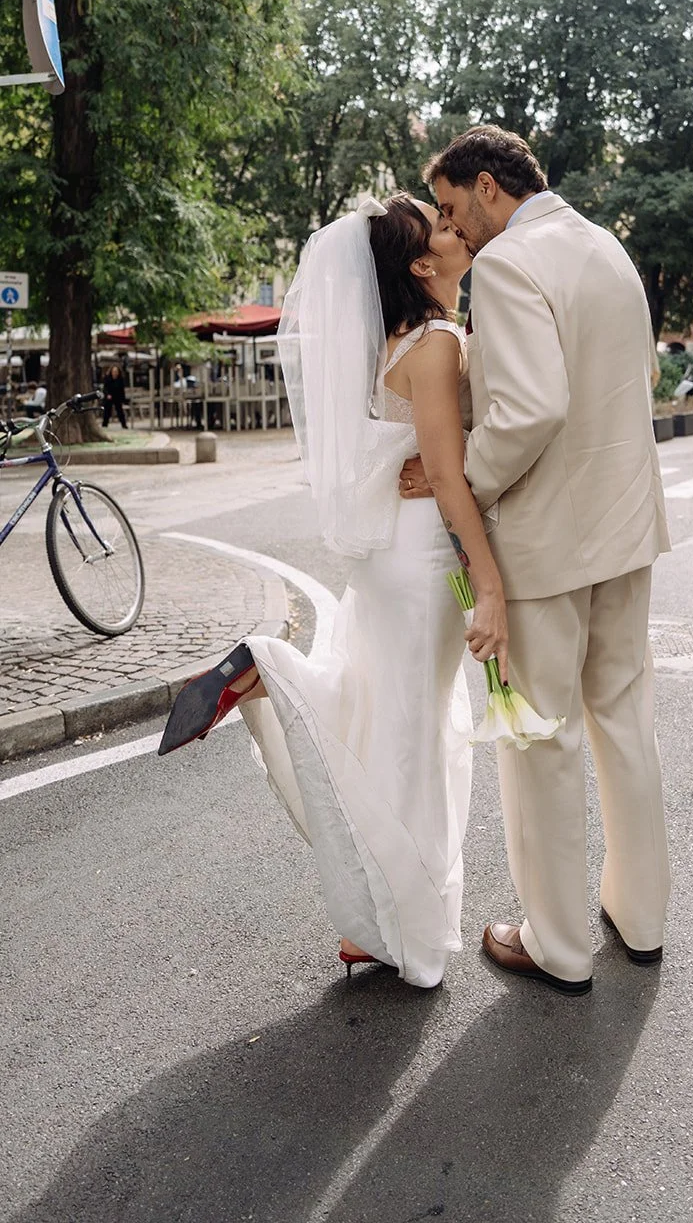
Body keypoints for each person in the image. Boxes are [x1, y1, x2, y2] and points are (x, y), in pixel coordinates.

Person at [157, 193, 507, 989]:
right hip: (422, 565)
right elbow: (450, 480)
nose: (460, 230)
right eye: (445, 227)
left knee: (382, 725)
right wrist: (487, 586)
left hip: (385, 557)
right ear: (422, 265)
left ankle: (382, 920)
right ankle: (409, 934)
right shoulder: (440, 343)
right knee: (418, 745)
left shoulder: (389, 342)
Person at [408, 124, 671, 996]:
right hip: (625, 530)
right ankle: (640, 914)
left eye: (451, 208)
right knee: (623, 721)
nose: (453, 230)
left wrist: (460, 482)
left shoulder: (513, 264)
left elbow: (527, 411)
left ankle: (556, 943)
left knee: (539, 739)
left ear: (489, 186)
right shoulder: (606, 248)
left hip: (547, 541)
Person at [102, 365, 128, 429]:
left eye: (116, 371)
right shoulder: (108, 378)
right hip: (109, 396)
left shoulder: (120, 379)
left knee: (120, 411)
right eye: (114, 371)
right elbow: (105, 388)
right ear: (111, 372)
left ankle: (124, 424)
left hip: (117, 396)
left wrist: (123, 399)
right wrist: (107, 394)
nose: (115, 373)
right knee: (107, 410)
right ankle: (105, 424)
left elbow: (122, 390)